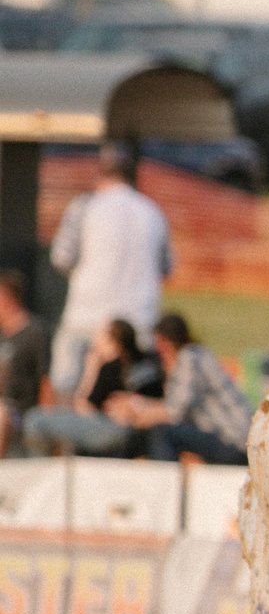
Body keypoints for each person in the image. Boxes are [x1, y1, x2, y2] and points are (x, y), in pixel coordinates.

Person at [48, 142, 171, 400]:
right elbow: (167, 267)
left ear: (98, 172)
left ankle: (66, 432)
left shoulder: (84, 206)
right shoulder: (152, 211)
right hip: (139, 320)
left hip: (86, 318)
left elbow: (61, 257)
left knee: (67, 386)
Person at [108, 313, 251, 465]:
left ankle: (166, 484)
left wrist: (134, 414)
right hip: (231, 439)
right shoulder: (196, 355)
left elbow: (174, 412)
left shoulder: (190, 357)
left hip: (232, 440)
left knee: (162, 433)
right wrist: (137, 405)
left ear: (164, 342)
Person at [19, 317, 155, 458]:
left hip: (111, 430)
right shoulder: (147, 363)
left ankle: (40, 474)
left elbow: (84, 409)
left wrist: (91, 369)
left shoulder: (109, 367)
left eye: (100, 337)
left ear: (112, 342)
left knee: (35, 420)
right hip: (141, 432)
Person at [0, 269, 49, 456]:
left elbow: (45, 378)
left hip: (20, 411)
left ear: (8, 299)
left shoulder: (34, 332)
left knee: (1, 413)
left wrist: (45, 414)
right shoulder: (2, 335)